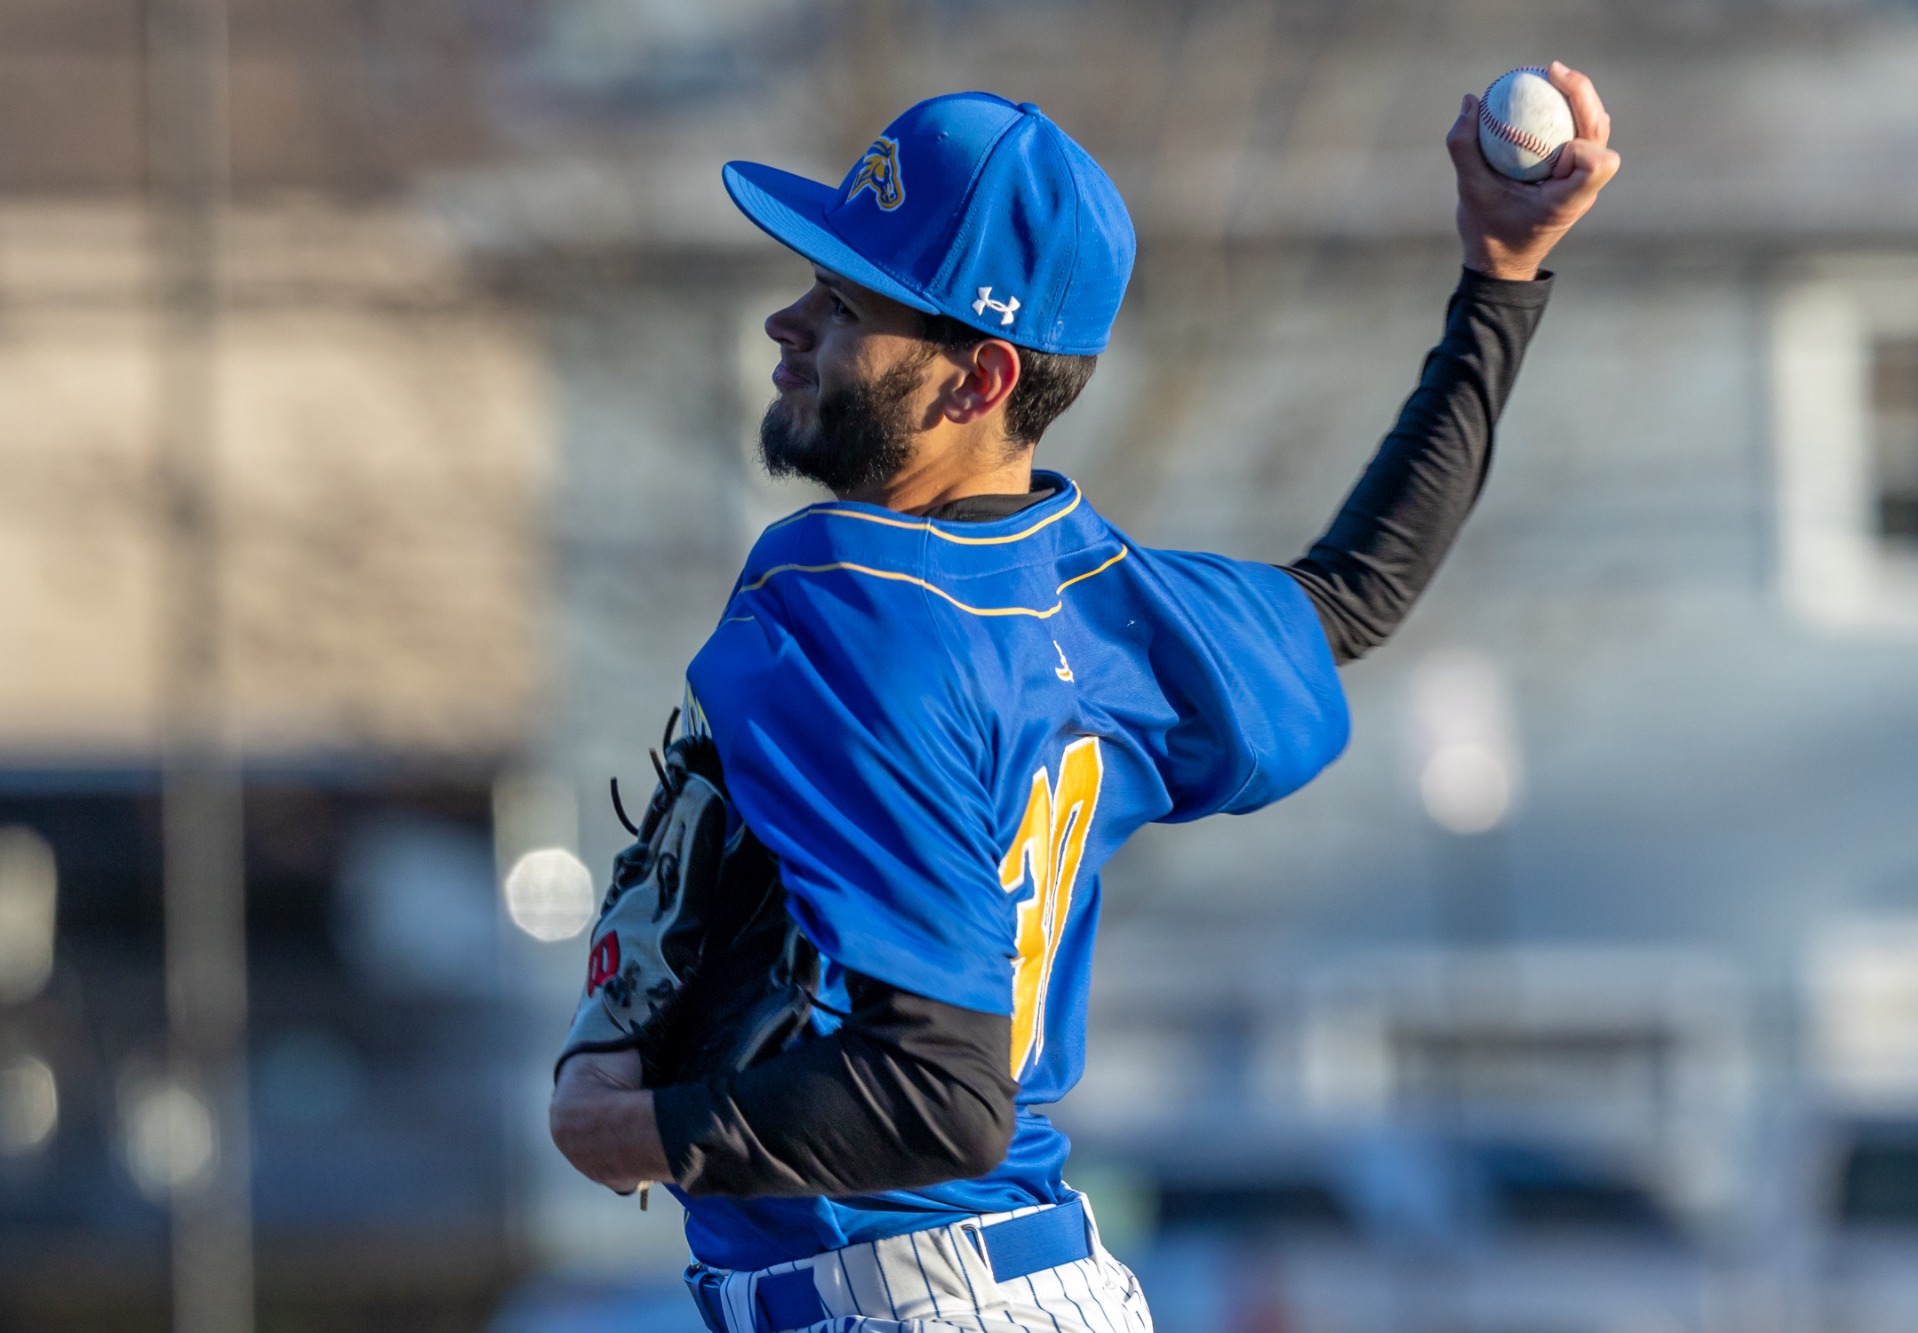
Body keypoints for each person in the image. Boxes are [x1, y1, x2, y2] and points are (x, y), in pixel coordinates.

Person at [551, 71, 1618, 1333]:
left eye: (843, 305)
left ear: (977, 380)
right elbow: (1353, 594)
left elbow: (937, 1096)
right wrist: (1496, 282)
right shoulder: (1093, 588)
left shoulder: (846, 604)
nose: (787, 322)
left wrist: (629, 1129)